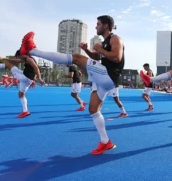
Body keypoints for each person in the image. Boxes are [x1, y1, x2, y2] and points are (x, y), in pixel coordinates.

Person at [19, 15, 124, 154]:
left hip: (108, 76)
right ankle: (106, 142)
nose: (96, 26)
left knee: (76, 58)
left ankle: (32, 50)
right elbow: (98, 57)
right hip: (104, 81)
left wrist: (99, 48)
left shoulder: (115, 38)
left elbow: (117, 57)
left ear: (105, 26)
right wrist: (88, 50)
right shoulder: (105, 42)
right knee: (93, 109)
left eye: (98, 24)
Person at [0, 50, 44, 118]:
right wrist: (3, 58)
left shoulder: (29, 59)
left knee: (8, 65)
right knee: (21, 94)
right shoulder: (25, 58)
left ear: (22, 55)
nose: (19, 59)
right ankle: (25, 111)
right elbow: (16, 60)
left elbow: (36, 68)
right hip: (27, 79)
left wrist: (39, 78)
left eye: (19, 57)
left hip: (25, 77)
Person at [80, 42, 127, 117]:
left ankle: (123, 111)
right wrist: (86, 49)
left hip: (112, 82)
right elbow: (94, 56)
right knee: (99, 98)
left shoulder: (116, 56)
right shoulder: (103, 55)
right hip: (103, 80)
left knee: (116, 99)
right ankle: (97, 112)